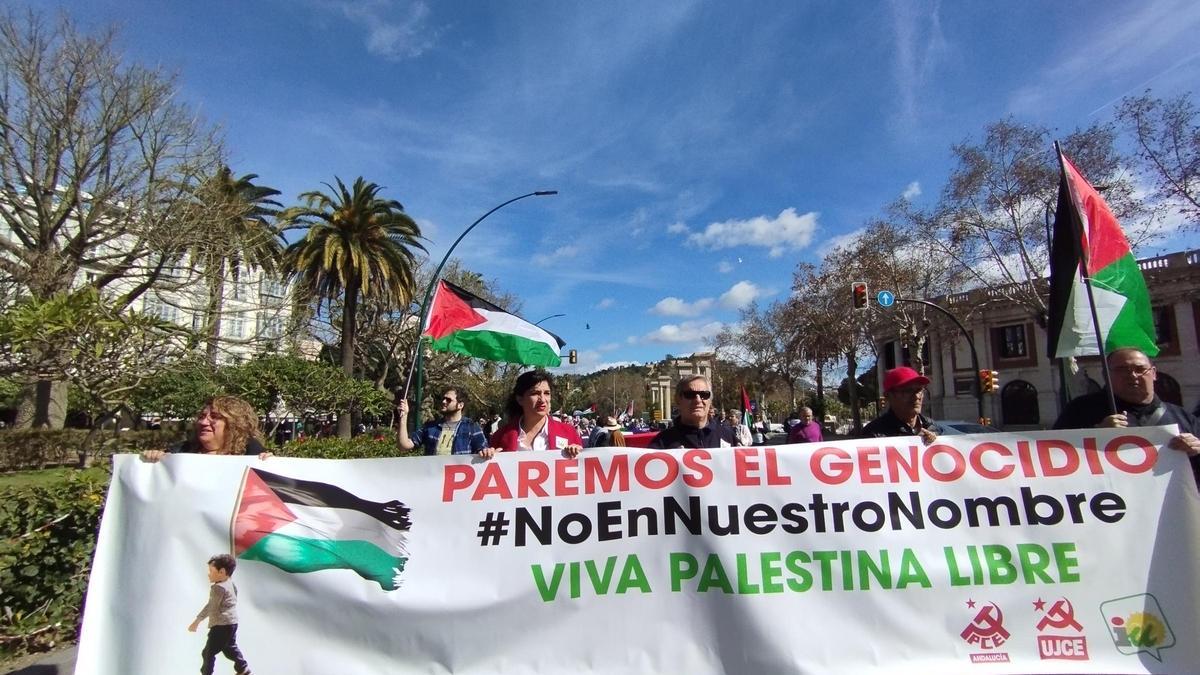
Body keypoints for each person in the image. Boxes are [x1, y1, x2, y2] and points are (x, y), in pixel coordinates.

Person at [1054, 348, 1200, 487]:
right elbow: (1053, 455)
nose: (1132, 375)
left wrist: (1196, 448)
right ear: (1106, 375)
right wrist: (1095, 434)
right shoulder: (1081, 410)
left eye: (1140, 369)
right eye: (1121, 370)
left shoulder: (1183, 417)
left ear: (1154, 373)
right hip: (1109, 504)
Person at [482, 370, 583, 457]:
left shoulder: (569, 432)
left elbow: (583, 471)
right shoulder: (500, 436)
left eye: (547, 393)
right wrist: (488, 457)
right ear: (520, 399)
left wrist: (578, 454)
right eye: (535, 393)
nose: (543, 399)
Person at [141, 396, 271, 462]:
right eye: (202, 417)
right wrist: (154, 460)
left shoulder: (253, 455)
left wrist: (269, 463)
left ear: (236, 424)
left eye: (215, 417)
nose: (203, 422)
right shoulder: (178, 453)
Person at [190, 553, 252, 675]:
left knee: (208, 653)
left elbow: (211, 607)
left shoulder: (218, 588)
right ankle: (243, 668)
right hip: (232, 623)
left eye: (211, 571)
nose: (208, 574)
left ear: (222, 572)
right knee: (229, 647)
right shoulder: (230, 583)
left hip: (221, 626)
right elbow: (234, 598)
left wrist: (197, 621)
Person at [394, 387, 488, 456]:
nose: (443, 401)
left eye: (448, 400)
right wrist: (404, 416)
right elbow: (403, 445)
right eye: (443, 398)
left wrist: (488, 452)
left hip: (458, 480)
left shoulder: (472, 427)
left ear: (460, 405)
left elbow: (484, 450)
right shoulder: (430, 427)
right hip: (433, 479)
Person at [648, 375, 735, 449]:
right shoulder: (661, 444)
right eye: (690, 395)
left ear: (710, 401)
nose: (698, 400)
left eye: (704, 394)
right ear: (678, 400)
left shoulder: (728, 437)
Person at [861, 367, 941, 443]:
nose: (917, 396)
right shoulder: (872, 435)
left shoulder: (934, 428)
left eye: (919, 390)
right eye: (908, 391)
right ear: (888, 396)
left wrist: (937, 444)